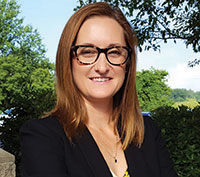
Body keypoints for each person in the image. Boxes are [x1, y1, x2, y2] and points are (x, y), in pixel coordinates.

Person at [20, 2, 178, 177]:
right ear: (68, 61)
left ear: (128, 63)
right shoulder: (43, 137)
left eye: (115, 52)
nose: (102, 67)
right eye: (87, 52)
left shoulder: (147, 132)